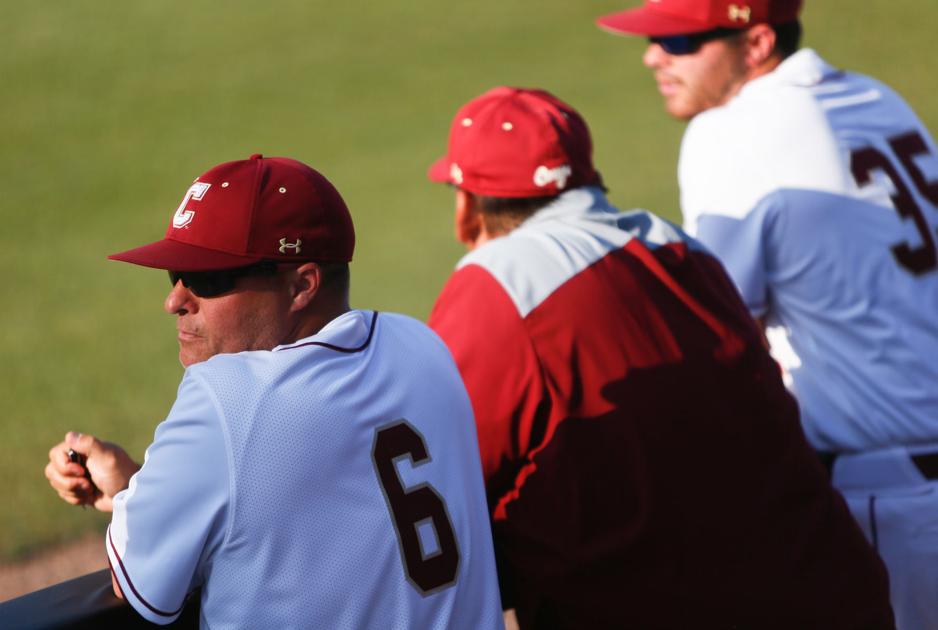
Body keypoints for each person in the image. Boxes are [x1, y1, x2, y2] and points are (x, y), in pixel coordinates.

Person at [424, 86, 893, 629]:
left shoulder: (500, 284)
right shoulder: (681, 249)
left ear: (468, 208)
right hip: (832, 591)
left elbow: (437, 487)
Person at [44, 154, 503, 629]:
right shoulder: (420, 345)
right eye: (174, 276)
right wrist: (140, 485)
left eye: (208, 279)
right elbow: (316, 494)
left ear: (302, 284)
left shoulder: (225, 398)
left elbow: (138, 582)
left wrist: (134, 497)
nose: (175, 300)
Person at [597, 1, 938, 627]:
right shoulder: (874, 97)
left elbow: (718, 334)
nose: (653, 56)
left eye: (678, 40)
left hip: (889, 499)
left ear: (754, 42)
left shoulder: (733, 130)